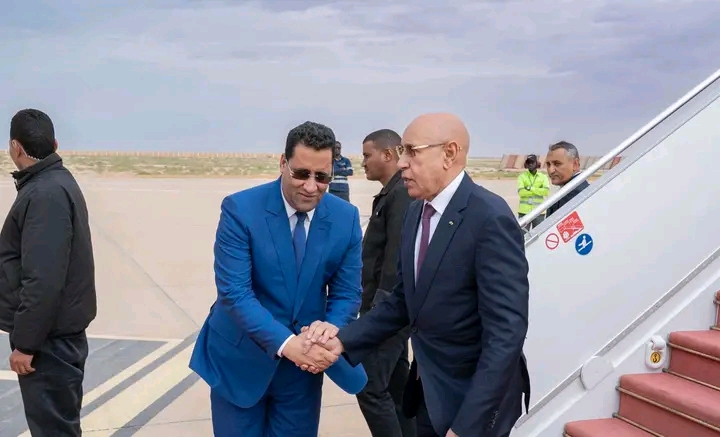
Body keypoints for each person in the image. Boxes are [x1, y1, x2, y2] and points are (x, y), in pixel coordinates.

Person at [304, 113, 531, 437]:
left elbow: (506, 334)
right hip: (429, 393)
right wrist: (342, 340)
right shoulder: (416, 212)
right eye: (402, 152)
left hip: (471, 403)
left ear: (449, 153)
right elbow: (403, 299)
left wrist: (468, 426)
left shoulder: (489, 218)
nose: (401, 164)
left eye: (412, 151)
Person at [189, 121, 367, 437]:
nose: (311, 186)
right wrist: (287, 344)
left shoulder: (346, 218)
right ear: (283, 163)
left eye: (322, 177)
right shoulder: (240, 209)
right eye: (301, 173)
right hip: (241, 360)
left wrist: (328, 331)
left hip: (303, 368)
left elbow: (347, 293)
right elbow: (235, 293)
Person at [0, 109, 97, 437]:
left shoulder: (44, 194)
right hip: (53, 337)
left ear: (16, 147)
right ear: (54, 144)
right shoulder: (53, 183)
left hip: (49, 344)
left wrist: (25, 344)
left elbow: (43, 278)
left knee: (54, 431)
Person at [357, 129, 415, 437]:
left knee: (368, 386)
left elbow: (395, 260)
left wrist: (378, 317)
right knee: (396, 387)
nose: (363, 162)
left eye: (367, 155)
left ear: (389, 154)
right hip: (387, 309)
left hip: (386, 311)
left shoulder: (400, 195)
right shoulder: (391, 194)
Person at [544, 141, 590, 218]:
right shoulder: (578, 189)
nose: (551, 170)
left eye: (557, 164)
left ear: (575, 164)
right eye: (548, 164)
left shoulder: (573, 194)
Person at [516, 154, 550, 231]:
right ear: (526, 164)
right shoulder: (522, 177)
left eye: (532, 162)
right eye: (528, 162)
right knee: (523, 236)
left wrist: (529, 188)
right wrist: (538, 190)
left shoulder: (543, 177)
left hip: (539, 212)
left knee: (539, 234)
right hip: (524, 212)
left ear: (537, 163)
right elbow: (521, 192)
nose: (530, 164)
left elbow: (545, 192)